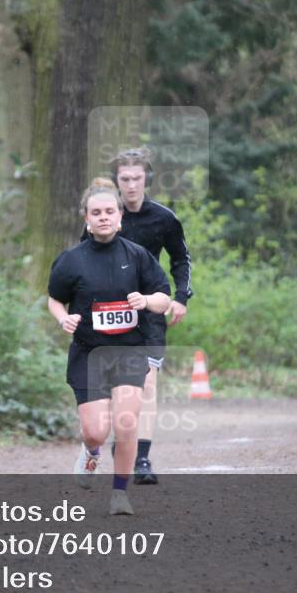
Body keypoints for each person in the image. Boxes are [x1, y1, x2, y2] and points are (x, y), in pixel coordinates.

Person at [48, 178, 171, 515]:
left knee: (127, 422)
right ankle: (90, 453)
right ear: (86, 219)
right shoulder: (71, 260)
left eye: (109, 211)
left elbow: (164, 299)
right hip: (89, 353)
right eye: (96, 212)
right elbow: (55, 299)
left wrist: (145, 300)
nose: (103, 217)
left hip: (129, 351)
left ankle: (120, 493)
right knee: (96, 431)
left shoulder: (138, 256)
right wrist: (63, 319)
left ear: (120, 217)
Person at [84, 147, 192, 484]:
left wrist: (180, 297)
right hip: (107, 312)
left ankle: (141, 458)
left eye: (137, 178)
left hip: (148, 308)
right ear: (117, 180)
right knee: (108, 388)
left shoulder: (163, 218)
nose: (131, 185)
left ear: (147, 179)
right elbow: (80, 261)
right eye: (124, 179)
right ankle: (96, 442)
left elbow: (180, 259)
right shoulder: (104, 215)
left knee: (145, 384)